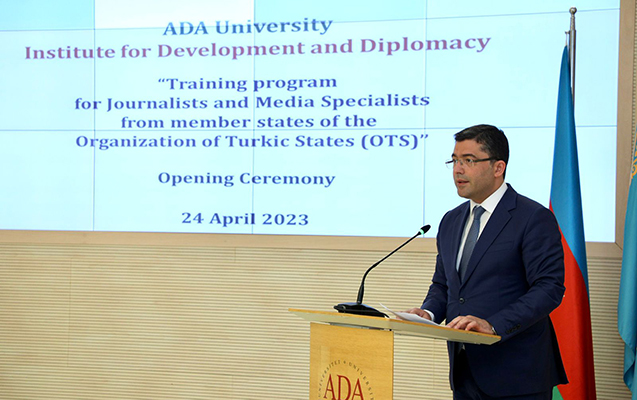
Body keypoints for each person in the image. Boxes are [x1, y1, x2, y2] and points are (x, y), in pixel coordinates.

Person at [406, 124, 568, 400]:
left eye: (468, 160)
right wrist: (429, 313)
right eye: (454, 161)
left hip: (518, 374)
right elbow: (443, 284)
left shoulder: (532, 217)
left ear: (498, 167)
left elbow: (548, 288)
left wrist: (493, 325)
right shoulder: (451, 220)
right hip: (464, 371)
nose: (458, 170)